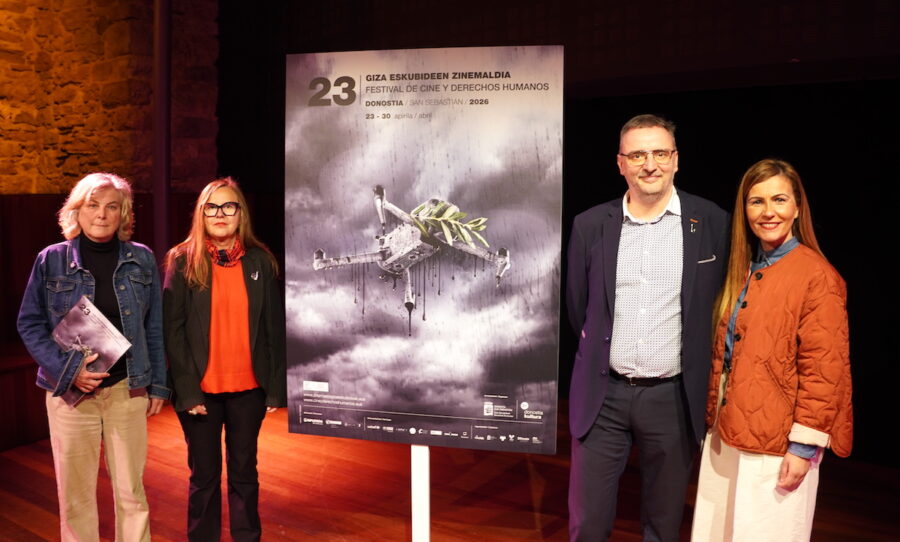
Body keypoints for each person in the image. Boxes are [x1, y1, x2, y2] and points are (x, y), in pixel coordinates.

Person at [566, 114, 729, 541]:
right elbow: (579, 308)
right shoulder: (590, 224)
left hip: (672, 399)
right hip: (604, 396)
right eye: (638, 155)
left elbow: (718, 305)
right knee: (587, 524)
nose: (650, 165)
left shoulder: (711, 221)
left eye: (660, 153)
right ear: (620, 163)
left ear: (676, 159)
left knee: (662, 524)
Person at [691, 159, 852, 542]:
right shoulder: (743, 269)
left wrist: (803, 448)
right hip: (727, 434)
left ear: (797, 207)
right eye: (756, 201)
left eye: (779, 200)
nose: (768, 212)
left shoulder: (817, 276)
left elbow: (824, 371)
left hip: (776, 445)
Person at [17, 172, 169, 542]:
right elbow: (29, 323)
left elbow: (154, 326)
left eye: (112, 207)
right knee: (76, 495)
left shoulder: (142, 258)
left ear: (123, 214)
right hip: (71, 395)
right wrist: (67, 371)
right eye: (93, 205)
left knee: (131, 492)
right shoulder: (51, 259)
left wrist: (159, 385)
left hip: (126, 389)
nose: (101, 214)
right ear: (77, 210)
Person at [163, 177, 286, 542]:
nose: (220, 214)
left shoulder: (261, 261)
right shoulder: (182, 261)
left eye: (229, 206)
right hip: (200, 392)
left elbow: (273, 329)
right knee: (204, 477)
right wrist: (187, 391)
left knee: (245, 473)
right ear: (201, 214)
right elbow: (173, 332)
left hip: (249, 389)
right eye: (212, 207)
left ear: (240, 213)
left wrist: (275, 388)